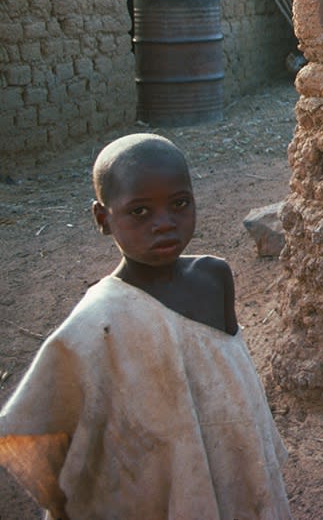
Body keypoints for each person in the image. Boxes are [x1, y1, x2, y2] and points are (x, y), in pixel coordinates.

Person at [0, 133, 291, 519]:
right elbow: (36, 426)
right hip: (158, 494)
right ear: (103, 219)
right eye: (140, 211)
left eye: (179, 204)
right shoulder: (96, 322)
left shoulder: (215, 279)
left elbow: (237, 395)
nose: (164, 224)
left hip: (236, 475)